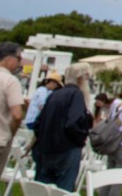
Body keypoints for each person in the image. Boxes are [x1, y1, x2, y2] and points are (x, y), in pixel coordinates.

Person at [32, 62, 94, 191]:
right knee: (63, 191)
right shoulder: (76, 95)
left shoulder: (54, 94)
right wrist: (80, 139)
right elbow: (73, 122)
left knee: (42, 191)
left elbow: (38, 123)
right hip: (67, 150)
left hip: (47, 150)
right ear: (80, 79)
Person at [0, 42, 24, 184]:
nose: (19, 64)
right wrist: (11, 132)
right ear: (9, 58)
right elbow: (17, 115)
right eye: (19, 59)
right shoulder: (10, 81)